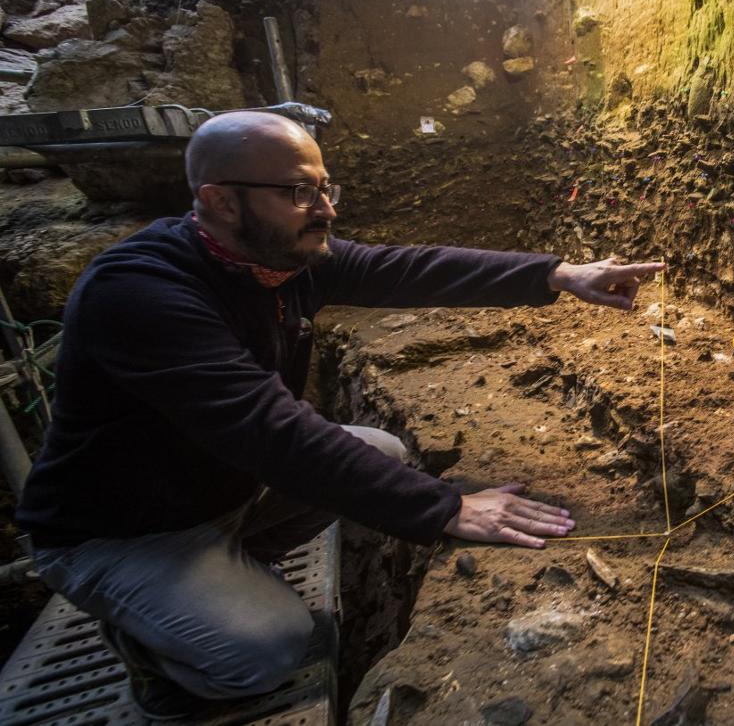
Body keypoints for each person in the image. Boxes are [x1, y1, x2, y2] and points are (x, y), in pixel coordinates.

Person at [15, 111, 664, 719]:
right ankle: (152, 651)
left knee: (379, 450)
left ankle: (218, 575)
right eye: (299, 192)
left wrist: (557, 274)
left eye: (326, 189)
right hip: (120, 531)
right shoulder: (140, 293)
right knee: (268, 649)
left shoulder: (279, 259)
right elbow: (273, 433)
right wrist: (446, 508)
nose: (324, 210)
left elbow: (409, 268)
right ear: (218, 201)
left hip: (218, 487)